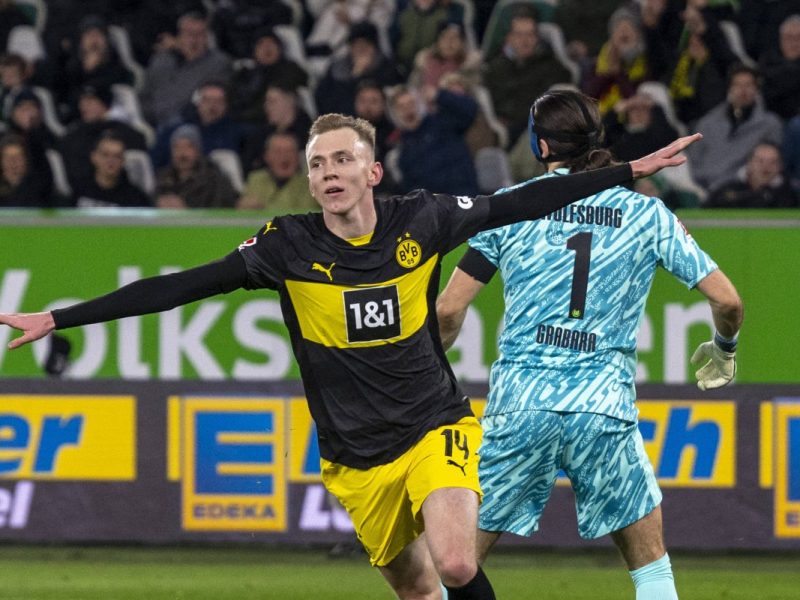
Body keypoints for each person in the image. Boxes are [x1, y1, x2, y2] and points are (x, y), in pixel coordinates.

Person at [0, 112, 699, 600]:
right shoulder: (285, 247)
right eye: (317, 164)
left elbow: (522, 202)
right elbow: (179, 288)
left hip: (435, 426)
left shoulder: (421, 219)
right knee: (421, 589)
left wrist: (628, 171)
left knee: (456, 564)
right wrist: (60, 316)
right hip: (355, 459)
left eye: (341, 159)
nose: (328, 172)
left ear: (372, 170)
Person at [435, 91, 742, 600]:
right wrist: (724, 349)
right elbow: (728, 302)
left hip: (520, 408)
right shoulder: (647, 214)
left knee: (455, 565)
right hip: (603, 410)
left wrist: (428, 374)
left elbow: (448, 311)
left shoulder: (512, 206)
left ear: (540, 144)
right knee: (650, 568)